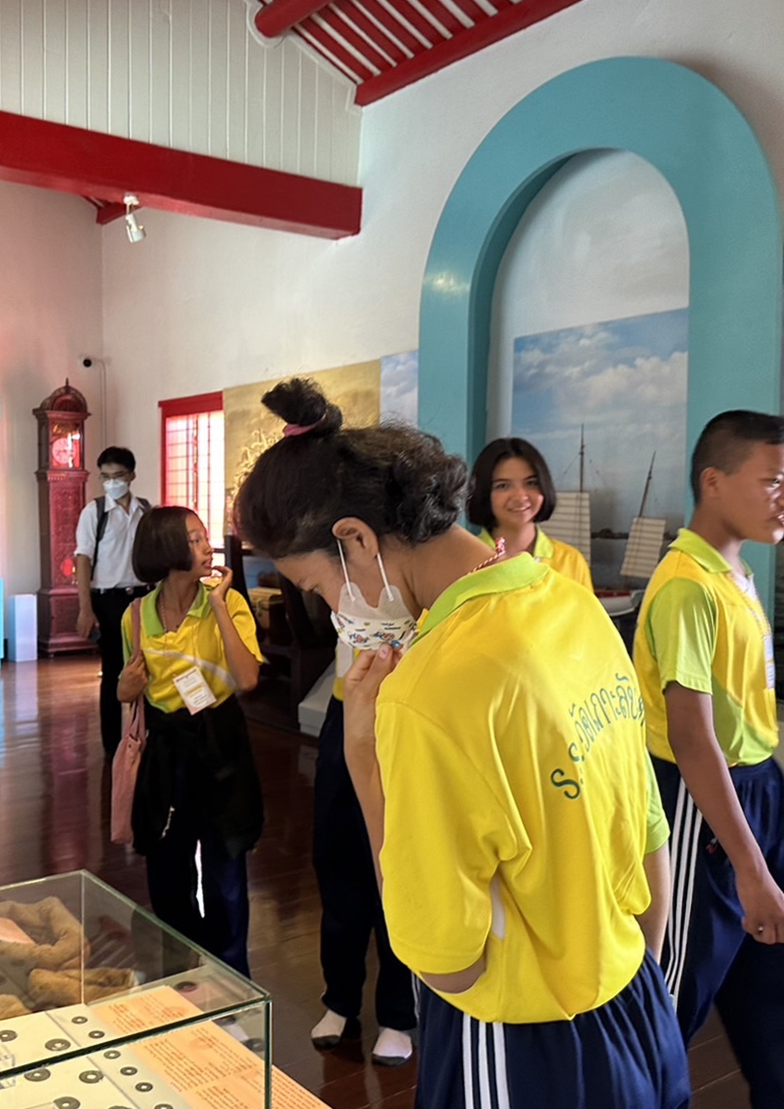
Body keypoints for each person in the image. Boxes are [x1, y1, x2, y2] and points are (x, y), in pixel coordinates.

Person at [235, 379, 687, 1109]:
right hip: (636, 1002)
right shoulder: (572, 603)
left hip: (514, 1038)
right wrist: (632, 980)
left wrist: (364, 764)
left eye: (317, 587)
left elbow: (442, 960)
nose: (332, 610)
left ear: (355, 539)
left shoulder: (428, 691)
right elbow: (648, 828)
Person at [633, 411, 784, 1107]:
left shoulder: (732, 570)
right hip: (699, 804)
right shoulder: (685, 583)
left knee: (781, 982)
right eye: (772, 481)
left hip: (758, 788)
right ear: (713, 482)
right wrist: (749, 868)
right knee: (674, 990)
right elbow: (692, 738)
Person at [117, 506, 263, 977]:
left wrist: (218, 603)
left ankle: (231, 980)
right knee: (167, 871)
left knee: (226, 872)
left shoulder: (228, 605)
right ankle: (184, 975)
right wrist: (124, 689)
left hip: (221, 746)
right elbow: (129, 691)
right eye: (195, 540)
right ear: (166, 550)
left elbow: (247, 679)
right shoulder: (136, 615)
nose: (206, 548)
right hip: (166, 752)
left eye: (204, 538)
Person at [309, 661, 416, 1065]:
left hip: (408, 709)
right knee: (337, 857)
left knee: (400, 866)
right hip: (347, 700)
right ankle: (339, 999)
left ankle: (398, 1015)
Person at [76, 447, 150, 757]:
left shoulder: (146, 511)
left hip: (143, 597)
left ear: (131, 476)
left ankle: (145, 736)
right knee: (113, 672)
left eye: (117, 476)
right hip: (108, 600)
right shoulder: (94, 512)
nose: (112, 483)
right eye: (105, 477)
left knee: (148, 667)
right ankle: (112, 747)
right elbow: (83, 559)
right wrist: (85, 608)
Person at [468, 436, 592, 589]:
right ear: (483, 492)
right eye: (503, 486)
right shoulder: (464, 561)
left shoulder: (571, 561)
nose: (520, 497)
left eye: (531, 483)